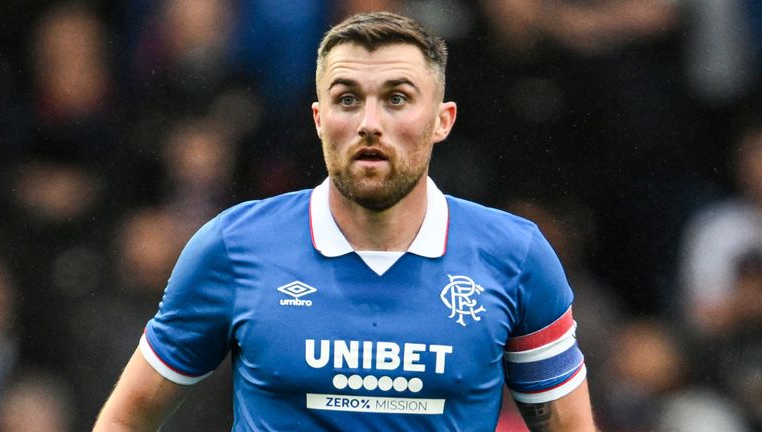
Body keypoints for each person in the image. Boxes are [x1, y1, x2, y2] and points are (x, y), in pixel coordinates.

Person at [93, 12, 596, 431]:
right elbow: (124, 421)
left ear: (442, 120)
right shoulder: (231, 248)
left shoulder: (516, 257)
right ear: (318, 118)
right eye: (348, 98)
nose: (370, 122)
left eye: (397, 98)